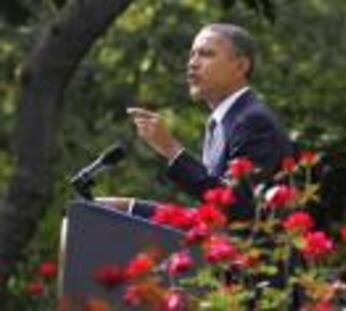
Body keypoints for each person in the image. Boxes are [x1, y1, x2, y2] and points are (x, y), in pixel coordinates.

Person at [100, 23, 292, 221]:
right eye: (192, 54)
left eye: (206, 54)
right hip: (225, 244)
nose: (192, 63)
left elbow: (237, 207)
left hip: (250, 250)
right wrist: (130, 208)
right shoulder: (223, 120)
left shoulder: (253, 121)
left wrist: (172, 149)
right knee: (105, 213)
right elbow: (215, 213)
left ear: (241, 66)